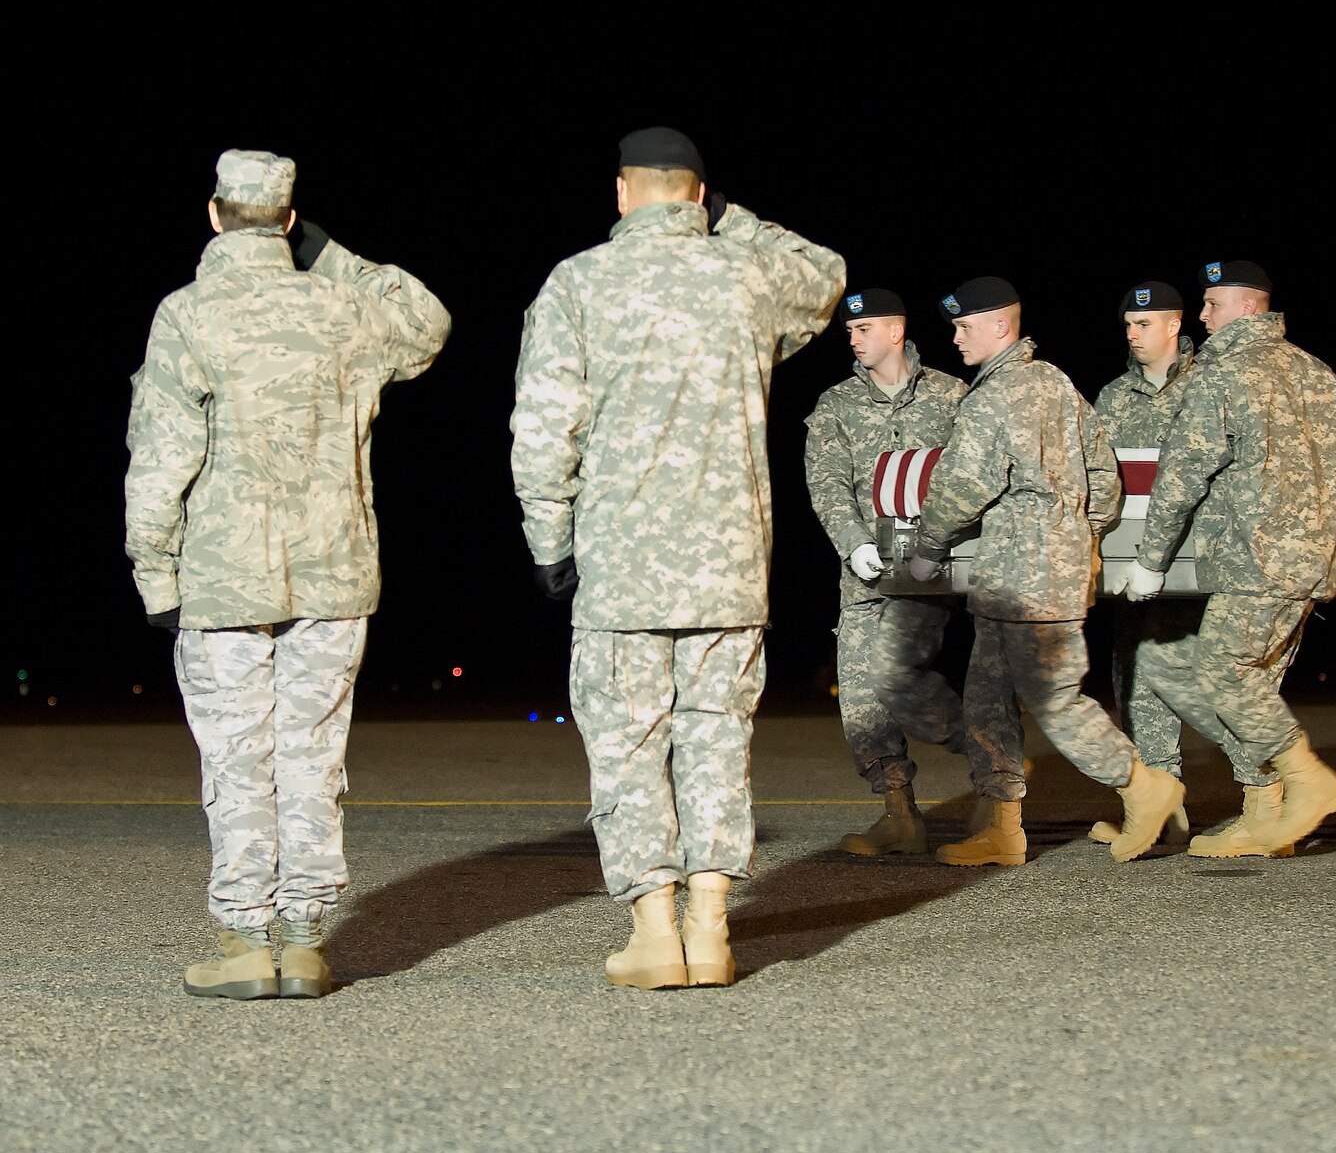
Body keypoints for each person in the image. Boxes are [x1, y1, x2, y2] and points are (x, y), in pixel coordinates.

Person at [510, 127, 844, 988]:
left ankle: (654, 931)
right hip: (730, 563)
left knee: (628, 742)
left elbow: (545, 426)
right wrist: (735, 220)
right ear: (699, 194)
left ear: (621, 192)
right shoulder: (750, 275)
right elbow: (827, 272)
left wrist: (551, 539)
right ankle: (711, 925)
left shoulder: (579, 282)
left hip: (622, 563)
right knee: (715, 741)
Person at [125, 149, 451, 999]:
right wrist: (327, 252)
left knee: (237, 758)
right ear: (289, 217)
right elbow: (427, 318)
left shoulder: (189, 314)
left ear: (213, 213)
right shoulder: (343, 306)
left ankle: (245, 942)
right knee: (312, 754)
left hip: (225, 575)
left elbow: (161, 455)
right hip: (334, 568)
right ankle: (306, 940)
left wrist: (154, 571)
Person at [908, 276, 1184, 865]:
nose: (955, 338)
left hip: (1024, 576)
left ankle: (1144, 787)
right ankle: (1003, 827)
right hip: (1033, 572)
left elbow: (963, 487)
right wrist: (1081, 536)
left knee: (1054, 697)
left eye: (964, 326)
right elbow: (1104, 475)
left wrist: (930, 545)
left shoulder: (993, 398)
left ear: (1001, 327)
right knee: (986, 698)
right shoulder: (1055, 383)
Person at [1124, 261, 1336, 859]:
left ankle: (1306, 783)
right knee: (1249, 681)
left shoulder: (1223, 370)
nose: (1203, 315)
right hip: (1309, 559)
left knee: (1224, 672)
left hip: (1254, 559)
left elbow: (1183, 471)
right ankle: (1265, 814)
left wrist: (1151, 559)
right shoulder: (1318, 372)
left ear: (1247, 307)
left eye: (1211, 304)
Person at [803, 288, 986, 856]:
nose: (853, 339)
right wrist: (852, 542)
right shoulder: (836, 405)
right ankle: (898, 811)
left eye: (864, 330)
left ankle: (988, 759)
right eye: (849, 332)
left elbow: (972, 475)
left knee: (896, 678)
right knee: (858, 692)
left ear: (896, 332)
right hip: (865, 571)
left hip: (932, 568)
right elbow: (827, 483)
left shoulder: (952, 397)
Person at [1085, 281, 1210, 848]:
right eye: (1127, 326)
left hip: (1203, 559)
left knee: (1201, 681)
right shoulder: (1113, 397)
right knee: (1133, 675)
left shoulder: (1210, 383)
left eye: (1144, 324)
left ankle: (1270, 787)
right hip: (1136, 563)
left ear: (1174, 326)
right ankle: (1166, 805)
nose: (1132, 335)